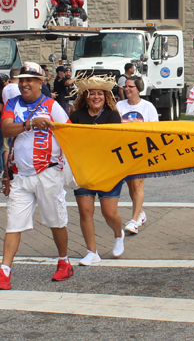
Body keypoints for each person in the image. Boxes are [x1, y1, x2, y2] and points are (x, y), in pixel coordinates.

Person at [0, 62, 74, 290]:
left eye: (29, 80)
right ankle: (4, 272)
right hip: (20, 176)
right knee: (13, 223)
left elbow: (69, 132)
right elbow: (6, 129)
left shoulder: (52, 105)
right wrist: (31, 123)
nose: (24, 84)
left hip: (48, 172)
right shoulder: (13, 103)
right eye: (21, 80)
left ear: (40, 82)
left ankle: (64, 261)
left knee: (56, 221)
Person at [69, 75, 125, 266]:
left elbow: (113, 142)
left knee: (109, 213)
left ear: (105, 96)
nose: (96, 97)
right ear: (85, 96)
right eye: (92, 93)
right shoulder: (76, 116)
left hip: (108, 170)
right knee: (85, 212)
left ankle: (119, 234)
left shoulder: (112, 115)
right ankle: (92, 252)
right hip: (84, 170)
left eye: (99, 93)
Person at [117, 76, 159, 234]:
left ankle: (134, 221)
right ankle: (140, 213)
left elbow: (154, 130)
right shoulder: (119, 105)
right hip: (124, 151)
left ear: (138, 88)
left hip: (142, 151)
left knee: (137, 185)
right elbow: (114, 125)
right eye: (125, 86)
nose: (127, 89)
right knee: (130, 186)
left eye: (130, 86)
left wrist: (127, 124)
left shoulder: (148, 107)